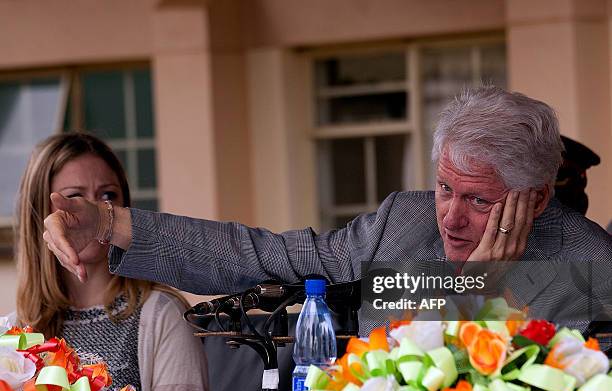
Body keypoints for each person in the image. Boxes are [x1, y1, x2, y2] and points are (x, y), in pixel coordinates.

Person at [42, 87, 612, 333]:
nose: (451, 218)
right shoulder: (400, 223)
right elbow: (263, 256)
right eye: (443, 188)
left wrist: (483, 286)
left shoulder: (589, 265)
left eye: (480, 200)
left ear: (537, 197)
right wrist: (110, 223)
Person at [15, 132, 210, 391]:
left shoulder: (163, 316)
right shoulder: (18, 331)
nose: (93, 209)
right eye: (74, 197)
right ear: (41, 216)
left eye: (108, 196)